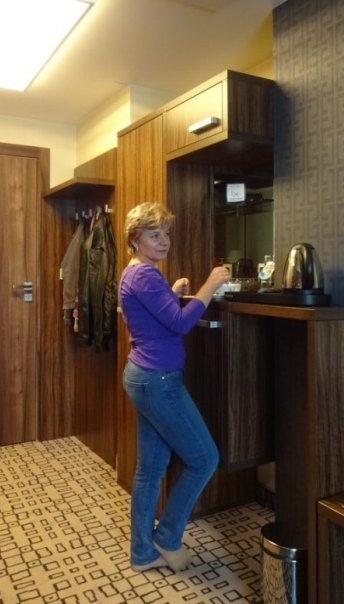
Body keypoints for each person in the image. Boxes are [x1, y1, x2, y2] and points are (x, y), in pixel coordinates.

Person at [119, 202, 231, 573]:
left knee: (150, 468)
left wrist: (171, 290)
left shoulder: (137, 273)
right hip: (159, 381)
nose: (164, 241)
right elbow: (180, 323)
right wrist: (210, 285)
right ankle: (166, 538)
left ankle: (142, 553)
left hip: (143, 376)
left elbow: (155, 318)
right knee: (205, 458)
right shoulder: (145, 276)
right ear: (136, 240)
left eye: (166, 233)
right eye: (154, 235)